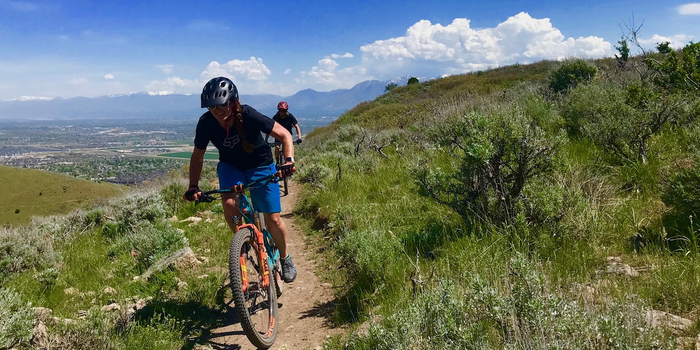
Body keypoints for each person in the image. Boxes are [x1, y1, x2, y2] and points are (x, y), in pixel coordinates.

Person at [183, 77, 297, 283]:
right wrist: (193, 186)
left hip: (261, 165)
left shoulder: (248, 114)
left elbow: (284, 135)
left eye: (223, 105)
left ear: (234, 101)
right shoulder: (206, 123)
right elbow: (197, 156)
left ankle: (284, 257)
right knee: (229, 203)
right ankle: (244, 240)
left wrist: (288, 161)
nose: (218, 111)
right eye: (212, 107)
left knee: (273, 219)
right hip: (231, 166)